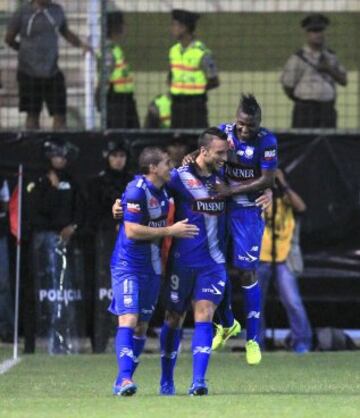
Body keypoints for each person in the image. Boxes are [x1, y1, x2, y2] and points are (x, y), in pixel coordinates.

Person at [109, 147, 199, 397]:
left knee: (142, 327)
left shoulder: (165, 189)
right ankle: (126, 379)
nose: (170, 167)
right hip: (127, 265)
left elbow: (122, 205)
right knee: (129, 318)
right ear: (153, 168)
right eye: (166, 163)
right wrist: (170, 231)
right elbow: (132, 231)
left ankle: (121, 379)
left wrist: (118, 204)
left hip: (152, 267)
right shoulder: (138, 189)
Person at [159, 127, 229, 396]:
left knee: (205, 315)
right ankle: (167, 379)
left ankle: (199, 381)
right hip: (182, 261)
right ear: (204, 151)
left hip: (213, 264)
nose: (225, 157)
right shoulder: (178, 177)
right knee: (174, 317)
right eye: (220, 153)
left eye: (227, 152)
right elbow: (150, 188)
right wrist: (120, 204)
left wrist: (267, 194)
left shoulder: (226, 178)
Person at [210, 94, 278, 366]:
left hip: (248, 212)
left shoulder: (267, 141)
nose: (243, 129)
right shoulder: (223, 133)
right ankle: (226, 324)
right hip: (221, 210)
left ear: (258, 123)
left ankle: (253, 340)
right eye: (240, 123)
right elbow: (202, 155)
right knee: (214, 268)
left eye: (249, 125)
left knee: (246, 272)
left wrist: (234, 189)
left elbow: (267, 178)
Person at [26, 139, 84, 353]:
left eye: (62, 155)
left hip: (68, 242)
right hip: (45, 242)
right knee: (48, 290)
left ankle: (67, 340)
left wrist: (73, 227)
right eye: (55, 155)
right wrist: (53, 188)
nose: (59, 159)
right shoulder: (40, 181)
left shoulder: (73, 180)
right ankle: (48, 339)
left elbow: (80, 209)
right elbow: (38, 212)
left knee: (65, 290)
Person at [5, 0, 91, 130]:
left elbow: (65, 31)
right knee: (32, 114)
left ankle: (57, 144)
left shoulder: (56, 10)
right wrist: (23, 50)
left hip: (52, 71)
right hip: (28, 71)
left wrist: (81, 44)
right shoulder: (23, 12)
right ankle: (32, 145)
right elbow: (9, 38)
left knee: (60, 114)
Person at [257, 169, 312, 353]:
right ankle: (257, 344)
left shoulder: (287, 199)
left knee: (292, 301)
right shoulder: (256, 197)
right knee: (255, 304)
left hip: (284, 257)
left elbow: (302, 207)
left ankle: (302, 343)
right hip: (259, 257)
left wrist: (283, 185)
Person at [86, 140, 132, 353]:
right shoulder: (97, 183)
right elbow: (93, 213)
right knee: (103, 287)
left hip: (130, 239)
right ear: (107, 157)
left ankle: (124, 339)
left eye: (121, 156)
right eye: (114, 155)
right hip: (105, 239)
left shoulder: (133, 182)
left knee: (126, 289)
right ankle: (100, 340)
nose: (118, 160)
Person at [280, 13, 347, 128]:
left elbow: (343, 80)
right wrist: (303, 99)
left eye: (320, 30)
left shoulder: (331, 56)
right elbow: (288, 86)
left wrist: (329, 69)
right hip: (305, 111)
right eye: (314, 31)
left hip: (327, 110)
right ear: (307, 34)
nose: (318, 34)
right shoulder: (297, 58)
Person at [169, 9, 219, 128]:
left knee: (197, 141)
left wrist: (196, 90)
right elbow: (171, 76)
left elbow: (214, 80)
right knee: (176, 142)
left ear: (183, 28)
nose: (171, 29)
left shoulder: (202, 53)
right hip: (176, 105)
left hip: (195, 106)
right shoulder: (173, 51)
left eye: (174, 25)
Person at [98, 11, 140, 129]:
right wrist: (99, 97)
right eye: (123, 24)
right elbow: (104, 76)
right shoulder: (109, 50)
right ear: (116, 27)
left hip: (125, 99)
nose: (126, 27)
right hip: (116, 100)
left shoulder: (116, 48)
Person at [0, 176, 13, 343]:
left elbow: (6, 205)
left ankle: (6, 329)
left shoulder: (2, 179)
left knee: (3, 283)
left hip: (0, 235)